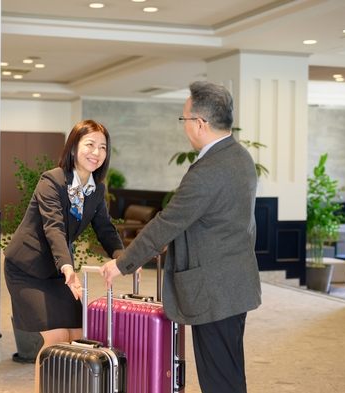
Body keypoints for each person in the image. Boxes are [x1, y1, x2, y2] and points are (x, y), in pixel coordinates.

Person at [99, 81, 262, 393]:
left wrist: (123, 263)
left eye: (184, 119)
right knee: (228, 370)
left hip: (214, 289)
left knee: (220, 380)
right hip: (234, 282)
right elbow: (222, 220)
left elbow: (168, 221)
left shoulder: (208, 170)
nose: (184, 126)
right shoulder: (240, 157)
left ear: (200, 124)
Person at [3, 120, 124, 391]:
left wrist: (125, 259)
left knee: (80, 337)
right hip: (27, 269)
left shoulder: (96, 189)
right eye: (89, 144)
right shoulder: (53, 180)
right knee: (56, 340)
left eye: (102, 147)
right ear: (73, 147)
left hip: (59, 270)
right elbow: (54, 227)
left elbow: (105, 229)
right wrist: (68, 268)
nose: (96, 152)